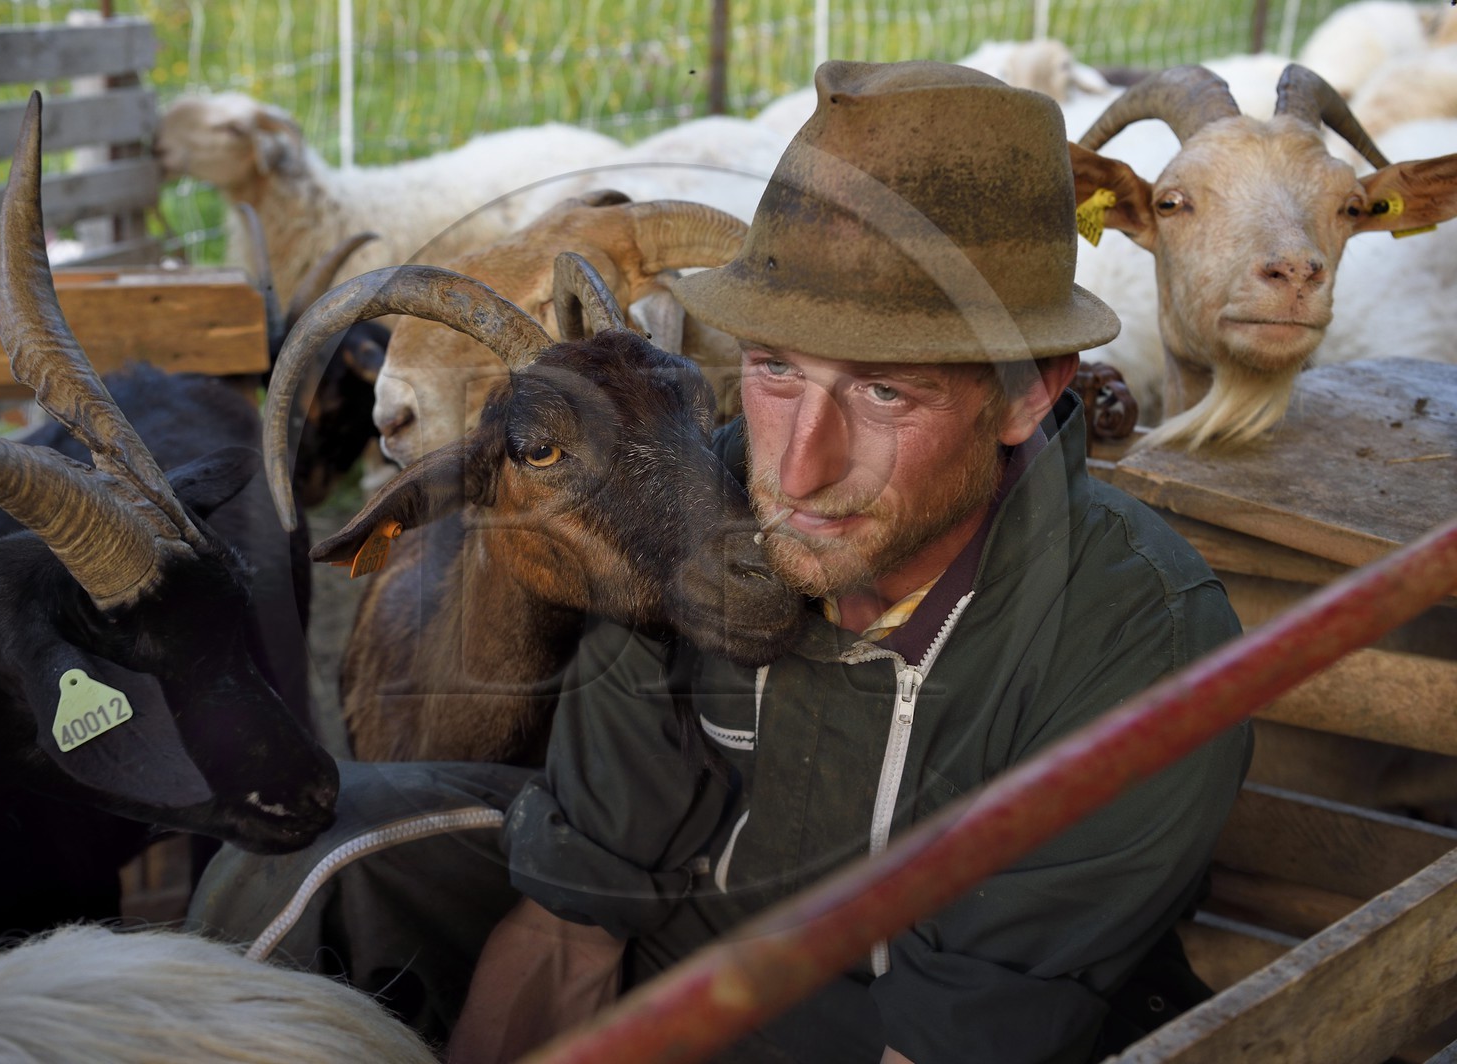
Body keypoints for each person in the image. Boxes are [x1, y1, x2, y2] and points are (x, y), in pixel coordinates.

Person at [188, 60, 1251, 1064]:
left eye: (888, 391)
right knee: (316, 863)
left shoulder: (1135, 646)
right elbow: (570, 931)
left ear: (1027, 392)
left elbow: (941, 1042)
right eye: (774, 369)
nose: (796, 465)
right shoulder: (687, 501)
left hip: (907, 1028)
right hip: (678, 974)